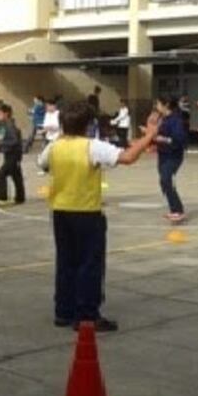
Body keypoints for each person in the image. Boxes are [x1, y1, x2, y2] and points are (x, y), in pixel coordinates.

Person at [37, 101, 158, 332]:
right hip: (86, 213)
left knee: (66, 262)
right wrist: (149, 136)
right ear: (88, 125)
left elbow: (42, 164)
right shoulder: (91, 146)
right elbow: (127, 157)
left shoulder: (54, 146)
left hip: (60, 212)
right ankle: (86, 315)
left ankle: (64, 311)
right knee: (89, 264)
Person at [154, 97, 189, 222]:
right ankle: (174, 209)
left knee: (166, 179)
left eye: (158, 104)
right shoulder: (163, 119)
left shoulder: (175, 120)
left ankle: (178, 210)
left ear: (166, 105)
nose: (157, 107)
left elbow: (179, 139)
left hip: (173, 155)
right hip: (163, 155)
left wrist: (164, 139)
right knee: (164, 182)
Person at [0, 103, 25, 206]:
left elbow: (14, 141)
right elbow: (0, 140)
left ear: (6, 114)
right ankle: (20, 197)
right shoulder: (1, 126)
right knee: (16, 175)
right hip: (8, 154)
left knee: (1, 173)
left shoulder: (9, 125)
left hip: (14, 154)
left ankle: (2, 198)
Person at [40, 98, 61, 176]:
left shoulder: (58, 114)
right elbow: (45, 124)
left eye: (48, 106)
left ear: (53, 106)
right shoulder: (47, 114)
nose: (47, 108)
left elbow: (58, 125)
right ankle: (45, 169)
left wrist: (50, 127)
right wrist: (45, 129)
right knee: (45, 154)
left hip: (57, 137)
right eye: (46, 106)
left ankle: (55, 169)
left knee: (55, 155)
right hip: (48, 136)